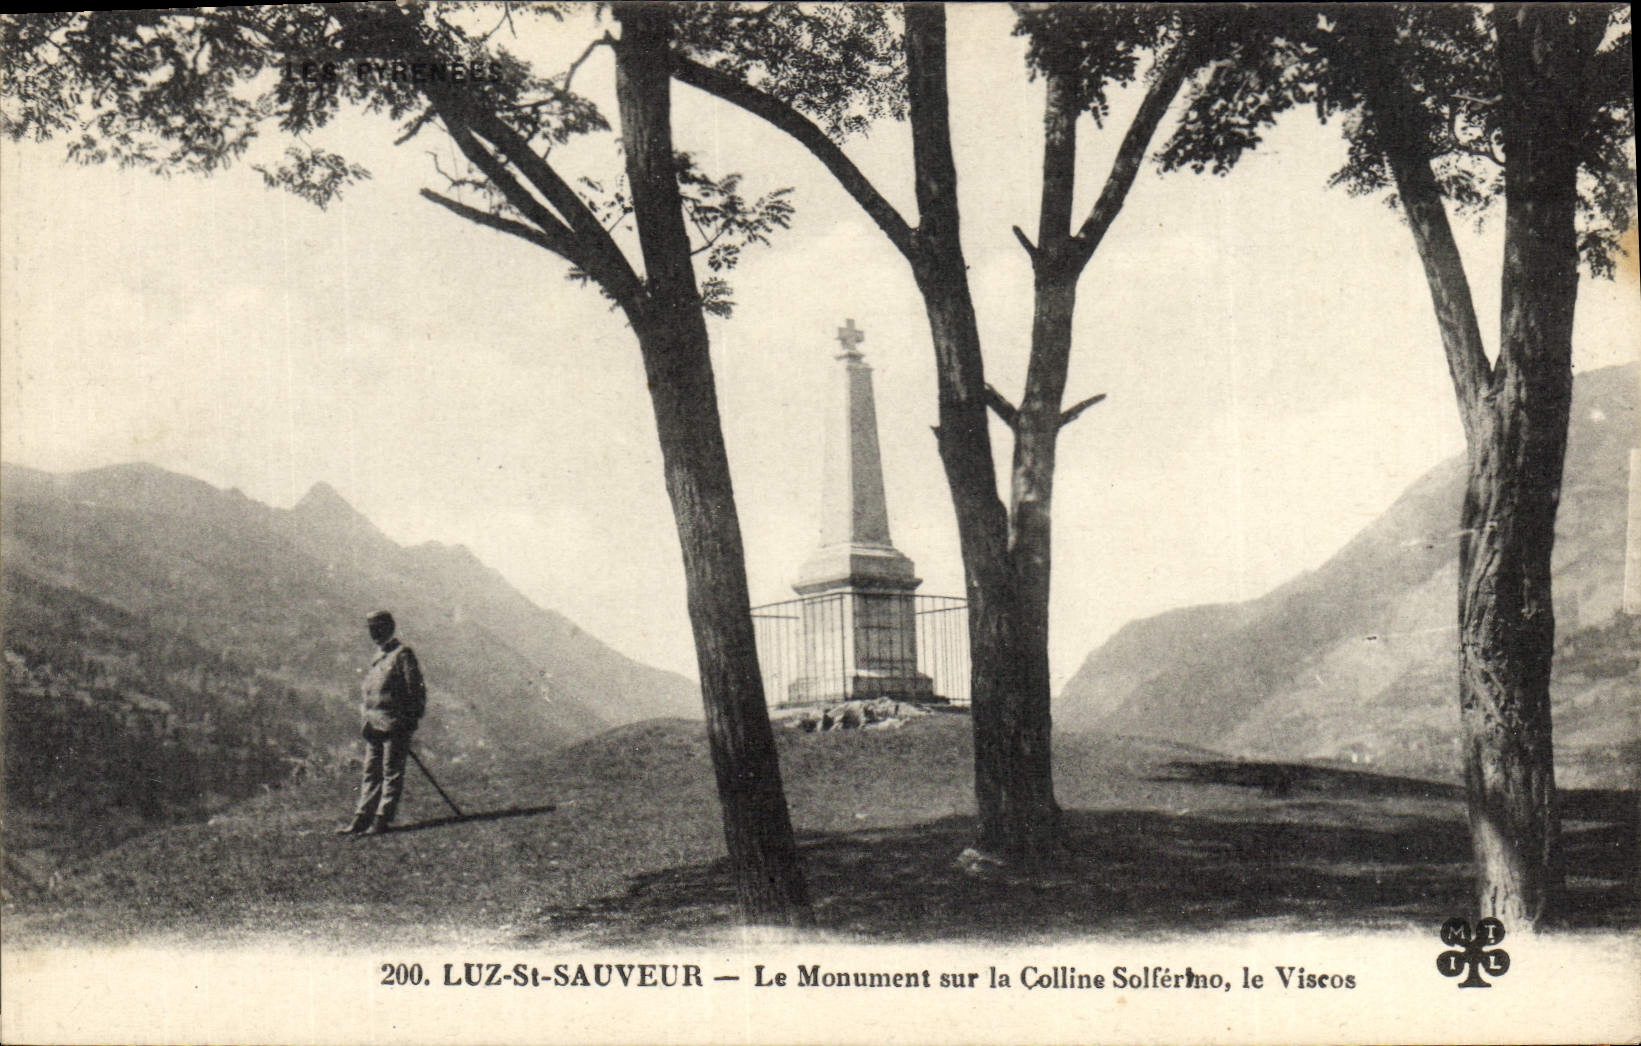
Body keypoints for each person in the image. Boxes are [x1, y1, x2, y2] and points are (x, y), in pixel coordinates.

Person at [336, 610, 426, 837]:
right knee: (371, 773)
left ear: (389, 628)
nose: (374, 633)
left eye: (378, 628)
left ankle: (381, 820)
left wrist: (409, 720)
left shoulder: (402, 654)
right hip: (374, 725)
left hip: (395, 725)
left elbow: (415, 690)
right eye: (371, 629)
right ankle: (361, 819)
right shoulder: (378, 657)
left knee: (391, 772)